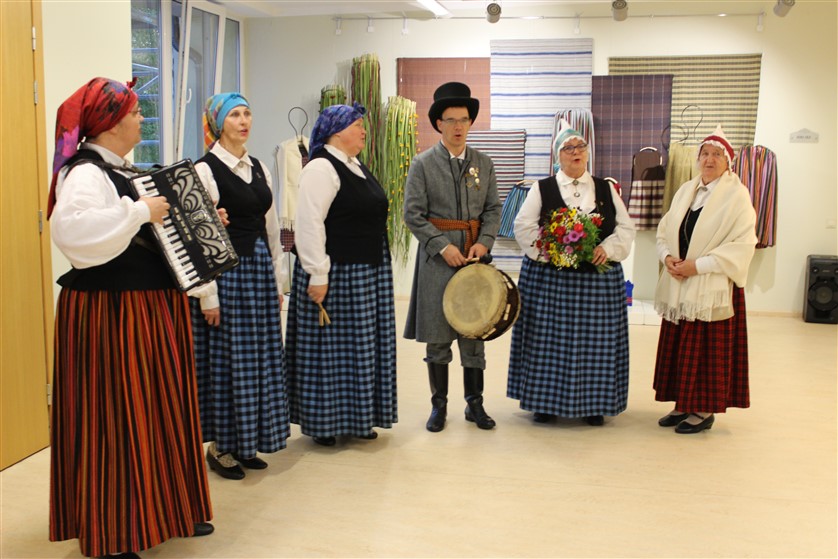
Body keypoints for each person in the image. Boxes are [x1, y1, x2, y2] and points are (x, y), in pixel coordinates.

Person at [48, 77, 213, 559]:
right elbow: (73, 234)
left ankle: (166, 511)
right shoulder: (84, 174)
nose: (142, 119)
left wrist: (199, 223)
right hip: (112, 312)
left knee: (160, 412)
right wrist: (138, 212)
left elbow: (151, 234)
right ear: (112, 122)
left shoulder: (124, 171)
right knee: (117, 418)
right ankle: (116, 531)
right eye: (136, 113)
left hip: (148, 308)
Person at [508, 119, 636, 426]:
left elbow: (625, 228)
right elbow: (523, 226)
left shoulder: (605, 188)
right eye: (568, 148)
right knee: (547, 342)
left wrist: (608, 248)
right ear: (558, 155)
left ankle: (595, 405)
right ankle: (544, 404)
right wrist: (550, 251)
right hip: (552, 279)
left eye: (580, 146)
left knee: (597, 344)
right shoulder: (542, 188)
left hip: (597, 280)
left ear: (588, 152)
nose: (575, 152)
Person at [190, 93, 291, 478]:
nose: (244, 120)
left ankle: (247, 441)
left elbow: (271, 228)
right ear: (218, 124)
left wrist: (277, 281)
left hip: (258, 273)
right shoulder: (205, 170)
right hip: (226, 276)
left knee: (259, 360)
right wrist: (208, 296)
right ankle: (221, 447)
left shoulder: (259, 167)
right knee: (230, 362)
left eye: (247, 113)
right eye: (234, 114)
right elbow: (200, 240)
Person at [285, 102, 397, 447]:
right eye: (357, 125)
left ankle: (358, 417)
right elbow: (309, 224)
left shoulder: (354, 165)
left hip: (365, 271)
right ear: (336, 132)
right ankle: (325, 423)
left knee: (359, 350)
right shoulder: (321, 167)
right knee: (330, 352)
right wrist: (318, 273)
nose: (364, 131)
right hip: (339, 273)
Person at [403, 82, 502, 432]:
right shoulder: (423, 164)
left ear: (470, 123)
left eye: (464, 120)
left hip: (474, 260)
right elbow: (413, 214)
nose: (458, 127)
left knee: (475, 331)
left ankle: (475, 404)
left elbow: (493, 209)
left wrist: (484, 242)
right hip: (437, 261)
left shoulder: (483, 163)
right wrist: (442, 246)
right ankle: (439, 406)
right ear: (438, 124)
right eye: (451, 120)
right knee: (438, 335)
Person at [653, 125, 757, 434]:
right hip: (680, 282)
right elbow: (665, 230)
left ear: (728, 162)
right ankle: (682, 403)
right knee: (680, 348)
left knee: (706, 352)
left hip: (711, 286)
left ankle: (703, 410)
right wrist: (667, 257)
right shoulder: (687, 190)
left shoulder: (737, 196)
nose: (709, 160)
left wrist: (697, 266)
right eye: (705, 154)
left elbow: (742, 245)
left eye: (717, 155)